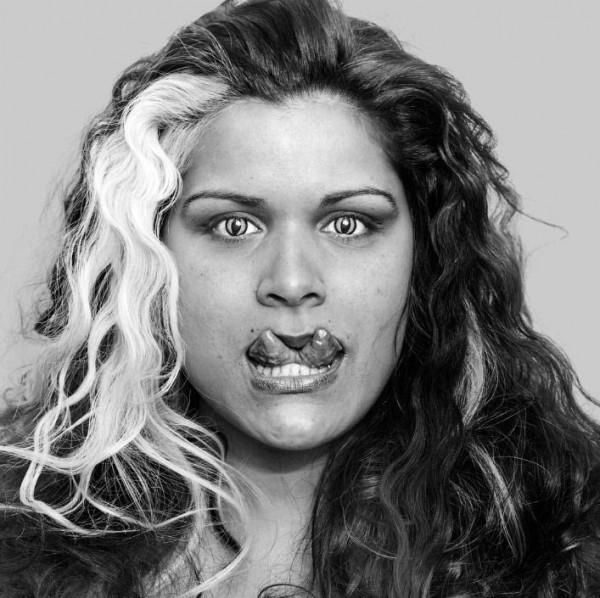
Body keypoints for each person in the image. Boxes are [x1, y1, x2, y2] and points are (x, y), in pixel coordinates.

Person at [1, 0, 599, 596]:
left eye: (348, 224)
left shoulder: (570, 550)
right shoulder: (17, 556)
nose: (291, 282)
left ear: (425, 258)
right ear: (150, 253)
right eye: (234, 225)